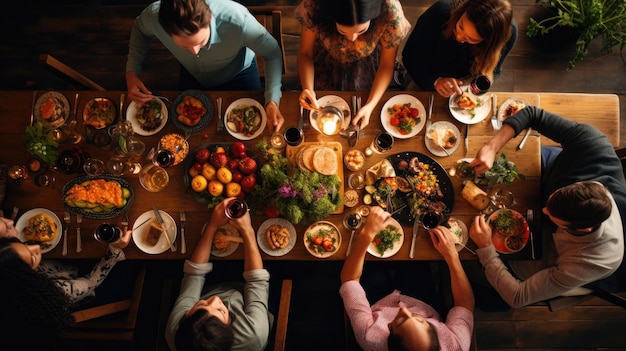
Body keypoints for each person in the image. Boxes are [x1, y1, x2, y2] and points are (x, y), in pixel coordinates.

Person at [467, 106, 626, 308]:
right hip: (552, 168)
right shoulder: (594, 147)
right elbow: (533, 113)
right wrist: (492, 147)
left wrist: (486, 249)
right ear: (577, 184)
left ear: (580, 229)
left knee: (475, 266)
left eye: (551, 214)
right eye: (550, 202)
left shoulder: (591, 260)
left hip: (563, 256)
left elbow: (518, 297)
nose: (542, 210)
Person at [126, 0, 285, 132]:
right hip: (191, 73)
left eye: (201, 42)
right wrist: (131, 73)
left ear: (210, 19)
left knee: (256, 128)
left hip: (238, 72)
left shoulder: (239, 21)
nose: (195, 52)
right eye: (184, 46)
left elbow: (272, 52)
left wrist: (272, 100)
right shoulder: (154, 16)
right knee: (183, 129)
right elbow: (139, 29)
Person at [340, 206, 474, 351]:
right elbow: (465, 304)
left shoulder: (371, 338)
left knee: (371, 263)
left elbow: (349, 280)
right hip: (422, 299)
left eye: (400, 320)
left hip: (377, 301)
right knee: (419, 256)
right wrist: (452, 256)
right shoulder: (455, 345)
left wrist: (367, 234)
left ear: (389, 328)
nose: (404, 309)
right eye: (419, 319)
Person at [0, 215, 133, 349]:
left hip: (71, 268)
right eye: (32, 259)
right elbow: (91, 281)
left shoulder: (8, 266)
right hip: (93, 291)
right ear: (25, 274)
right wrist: (115, 248)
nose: (36, 247)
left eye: (25, 246)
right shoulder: (53, 293)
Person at [165, 198, 271, 351]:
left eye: (202, 305)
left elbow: (193, 276)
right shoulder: (253, 334)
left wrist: (212, 225)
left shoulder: (178, 330)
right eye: (220, 311)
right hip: (248, 301)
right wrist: (247, 230)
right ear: (230, 328)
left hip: (209, 285)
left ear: (187, 315)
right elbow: (257, 282)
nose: (214, 300)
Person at [295, 0, 411, 129]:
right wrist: (308, 89)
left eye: (361, 31)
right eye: (343, 31)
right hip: (323, 56)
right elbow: (305, 53)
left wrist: (370, 105)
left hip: (365, 61)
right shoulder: (314, 5)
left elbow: (386, 65)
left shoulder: (390, 13)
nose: (352, 38)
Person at [402, 0, 517, 98]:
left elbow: (495, 70)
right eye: (461, 26)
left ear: (489, 43)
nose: (459, 37)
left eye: (471, 39)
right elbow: (409, 55)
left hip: (467, 79)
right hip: (427, 70)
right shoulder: (440, 12)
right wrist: (435, 81)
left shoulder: (508, 34)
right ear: (464, 10)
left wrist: (482, 75)